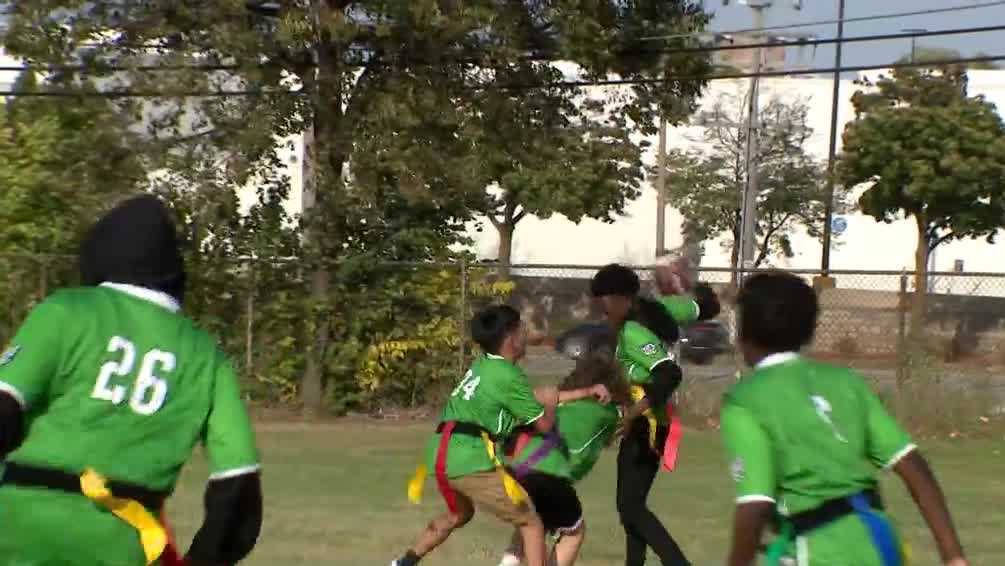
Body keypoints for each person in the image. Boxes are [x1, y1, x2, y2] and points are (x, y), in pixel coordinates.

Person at [0, 195, 263, 566]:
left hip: (18, 527)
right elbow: (239, 489)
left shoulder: (65, 311)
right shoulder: (208, 356)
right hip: (124, 542)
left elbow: (4, 410)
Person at [721, 270, 969, 566]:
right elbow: (912, 464)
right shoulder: (846, 382)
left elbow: (755, 504)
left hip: (820, 551)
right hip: (881, 543)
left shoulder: (744, 401)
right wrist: (953, 555)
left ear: (742, 333)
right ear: (810, 329)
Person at [392, 305, 611, 566]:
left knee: (459, 515)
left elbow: (531, 398)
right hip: (469, 458)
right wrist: (551, 405)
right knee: (531, 523)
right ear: (511, 337)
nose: (526, 335)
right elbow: (543, 423)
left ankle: (403, 562)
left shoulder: (483, 365)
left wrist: (582, 392)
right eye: (522, 329)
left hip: (440, 453)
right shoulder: (509, 376)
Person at [590, 263, 691, 566]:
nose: (601, 309)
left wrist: (633, 412)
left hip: (648, 427)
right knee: (629, 507)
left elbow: (669, 373)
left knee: (631, 508)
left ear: (624, 299)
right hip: (641, 425)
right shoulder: (624, 332)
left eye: (605, 302)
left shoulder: (633, 332)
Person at [496, 353, 630, 566]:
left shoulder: (560, 401)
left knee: (529, 525)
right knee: (574, 532)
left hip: (516, 471)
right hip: (549, 474)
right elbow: (622, 426)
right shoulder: (607, 411)